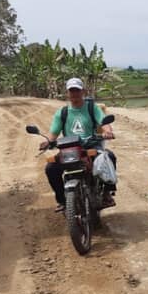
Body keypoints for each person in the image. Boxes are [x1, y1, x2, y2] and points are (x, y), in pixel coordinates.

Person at [42, 77, 115, 212]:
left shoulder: (92, 108)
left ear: (83, 92)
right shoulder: (62, 112)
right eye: (71, 90)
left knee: (109, 156)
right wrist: (48, 142)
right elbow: (54, 133)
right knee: (50, 168)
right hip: (70, 149)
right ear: (67, 93)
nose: (74, 93)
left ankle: (107, 193)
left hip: (91, 146)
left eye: (77, 90)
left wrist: (107, 131)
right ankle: (62, 200)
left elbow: (103, 122)